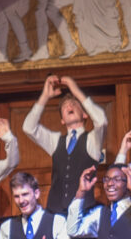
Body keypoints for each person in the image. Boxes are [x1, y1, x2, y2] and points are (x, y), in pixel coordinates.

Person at [23, 73, 110, 214]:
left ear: (85, 114)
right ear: (62, 120)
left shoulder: (92, 139)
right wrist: (45, 96)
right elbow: (28, 127)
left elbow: (102, 121)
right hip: (55, 211)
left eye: (75, 104)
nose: (69, 105)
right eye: (64, 106)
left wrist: (75, 90)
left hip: (83, 211)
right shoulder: (56, 141)